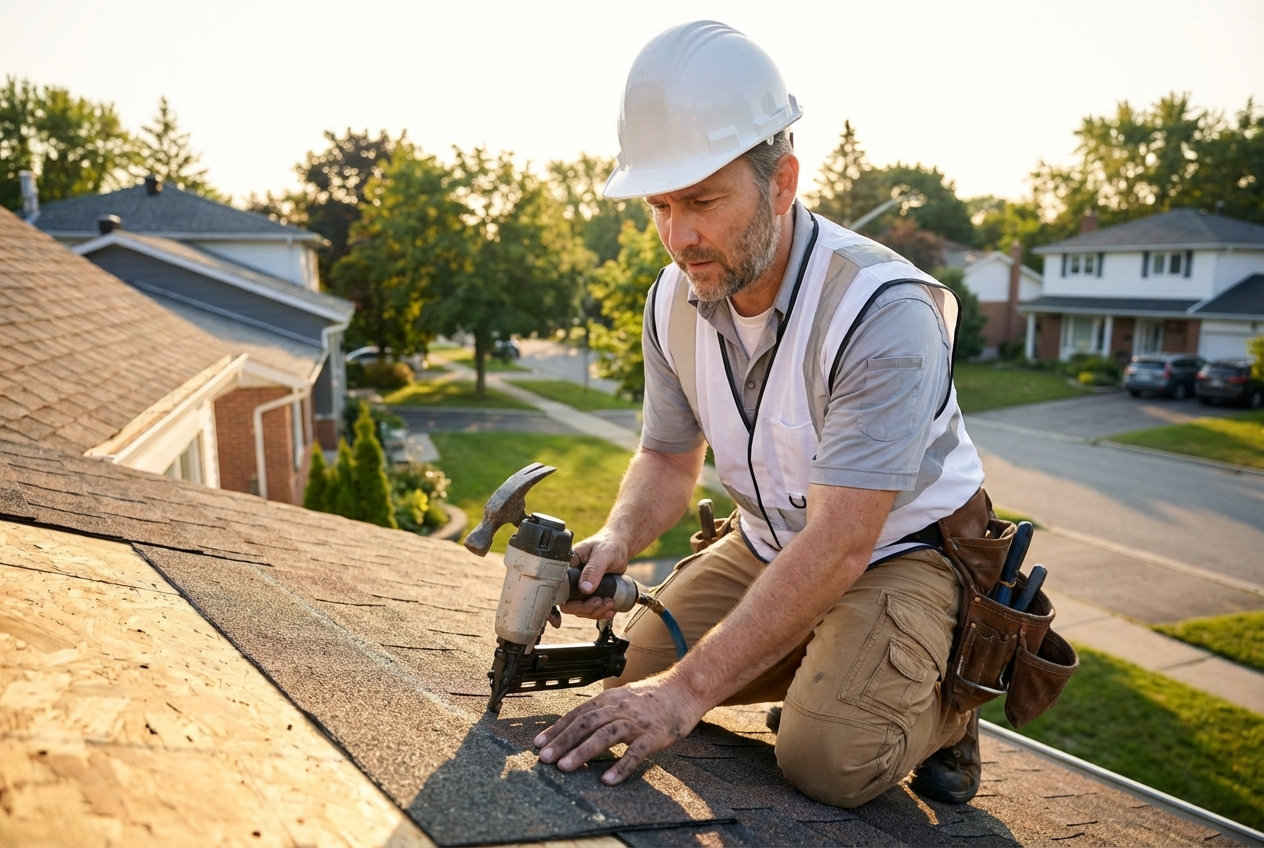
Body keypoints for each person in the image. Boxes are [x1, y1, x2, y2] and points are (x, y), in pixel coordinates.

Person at [533, 20, 988, 808]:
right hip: (774, 544)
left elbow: (846, 542)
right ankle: (834, 660)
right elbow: (669, 460)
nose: (680, 236)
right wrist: (619, 536)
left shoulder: (881, 311)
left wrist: (686, 697)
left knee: (827, 759)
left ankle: (945, 697)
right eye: (660, 206)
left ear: (781, 183)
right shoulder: (673, 299)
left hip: (904, 553)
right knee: (632, 666)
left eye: (704, 200)